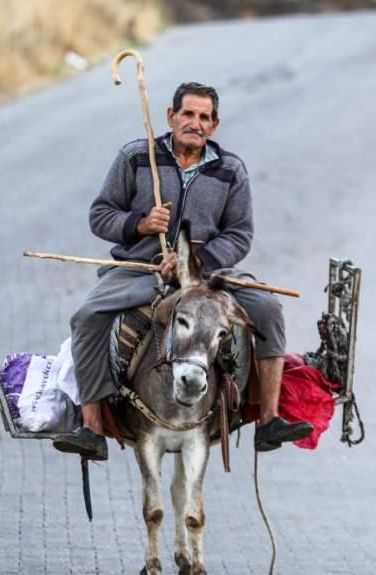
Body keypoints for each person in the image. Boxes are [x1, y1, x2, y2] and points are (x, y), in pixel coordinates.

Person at [52, 82, 312, 461]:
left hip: (207, 277)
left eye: (204, 117)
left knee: (268, 309)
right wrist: (139, 224)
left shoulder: (231, 170)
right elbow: (100, 215)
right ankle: (91, 429)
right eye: (188, 114)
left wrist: (196, 262)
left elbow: (240, 235)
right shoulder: (137, 157)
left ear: (215, 125)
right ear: (171, 117)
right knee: (87, 317)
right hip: (141, 270)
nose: (195, 123)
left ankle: (269, 420)